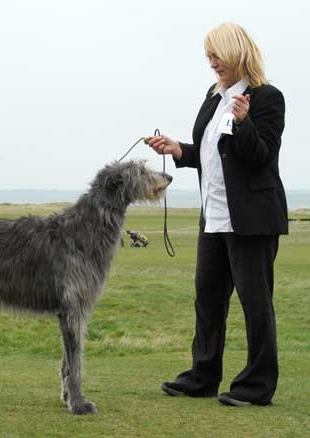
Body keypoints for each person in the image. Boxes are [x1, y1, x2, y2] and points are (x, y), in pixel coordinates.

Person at [145, 22, 287, 407]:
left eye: (217, 54)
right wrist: (178, 150)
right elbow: (210, 155)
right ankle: (202, 377)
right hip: (214, 219)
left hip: (252, 221)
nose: (212, 62)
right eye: (208, 56)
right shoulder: (213, 97)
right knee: (207, 300)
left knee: (256, 303)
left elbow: (260, 157)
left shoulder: (268, 98)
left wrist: (243, 123)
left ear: (237, 52)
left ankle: (256, 387)